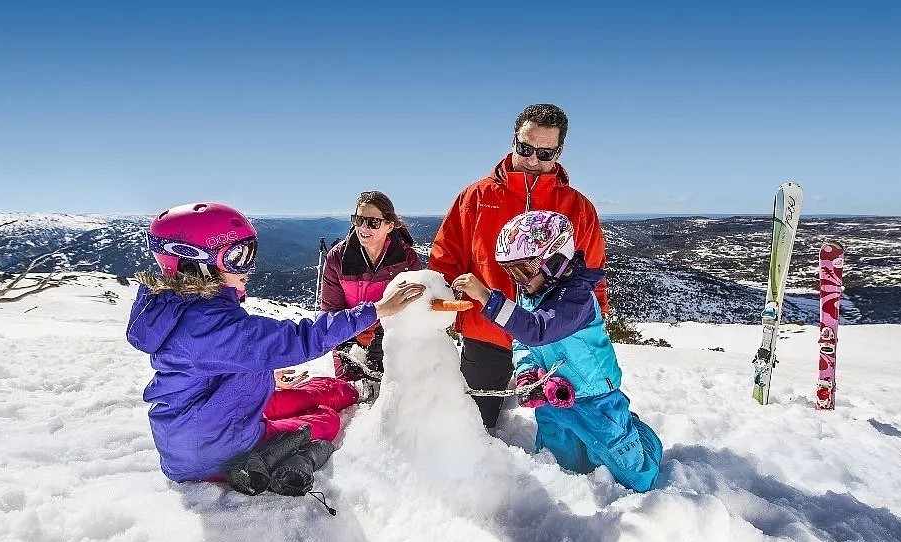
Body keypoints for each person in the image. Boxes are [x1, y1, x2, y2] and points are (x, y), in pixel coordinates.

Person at [126, 202, 425, 483]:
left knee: (326, 388)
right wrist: (377, 309)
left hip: (214, 417)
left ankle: (354, 389)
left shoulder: (185, 307)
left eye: (249, 254)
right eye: (237, 257)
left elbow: (215, 362)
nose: (248, 268)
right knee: (326, 421)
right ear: (197, 265)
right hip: (211, 449)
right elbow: (301, 338)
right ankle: (283, 448)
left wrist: (260, 374)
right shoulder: (212, 327)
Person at [451, 211, 662, 492]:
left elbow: (537, 330)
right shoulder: (531, 295)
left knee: (635, 476)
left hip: (593, 395)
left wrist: (489, 299)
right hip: (552, 392)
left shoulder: (576, 298)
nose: (518, 279)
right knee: (565, 463)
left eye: (524, 270)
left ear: (556, 261)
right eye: (512, 272)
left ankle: (640, 437)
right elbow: (523, 341)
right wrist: (527, 373)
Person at [429, 103, 609, 429]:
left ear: (559, 151)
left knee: (572, 427)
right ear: (514, 140)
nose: (533, 161)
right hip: (487, 332)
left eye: (545, 153)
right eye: (525, 149)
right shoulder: (474, 197)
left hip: (553, 337)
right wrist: (454, 310)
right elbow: (445, 258)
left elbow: (591, 273)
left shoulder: (578, 208)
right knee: (473, 426)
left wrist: (594, 324)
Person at [321, 191, 422, 399]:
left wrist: (388, 336)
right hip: (349, 336)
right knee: (350, 399)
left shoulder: (405, 259)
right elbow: (330, 312)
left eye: (373, 222)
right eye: (359, 220)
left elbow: (415, 306)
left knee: (396, 398)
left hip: (393, 338)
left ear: (389, 226)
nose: (363, 228)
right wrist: (346, 345)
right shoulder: (337, 259)